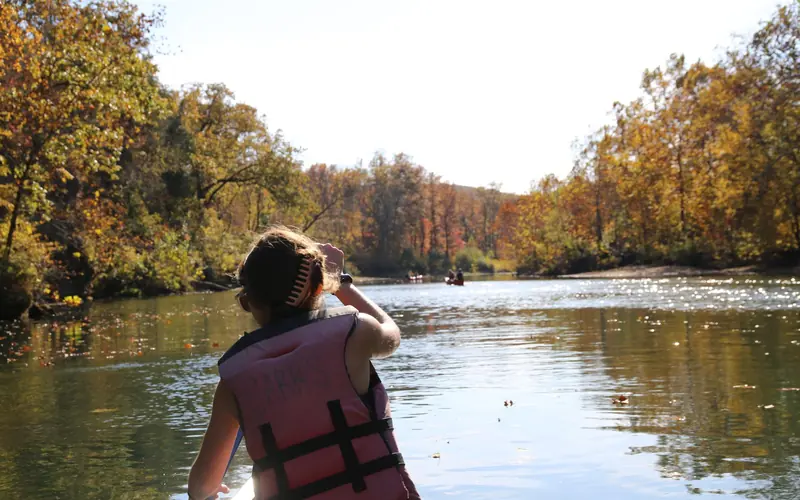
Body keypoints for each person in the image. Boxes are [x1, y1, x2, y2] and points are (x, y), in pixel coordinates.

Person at [188, 227, 420, 500]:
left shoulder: (233, 381)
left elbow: (200, 488)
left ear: (250, 302)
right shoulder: (354, 334)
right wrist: (342, 283)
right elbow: (390, 332)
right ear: (319, 286)